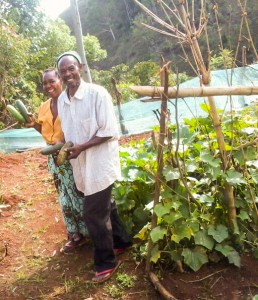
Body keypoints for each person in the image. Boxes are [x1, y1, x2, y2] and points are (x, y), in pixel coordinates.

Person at [56, 51, 132, 283]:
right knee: (105, 206)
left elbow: (108, 131)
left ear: (80, 67)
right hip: (80, 164)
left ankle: (106, 263)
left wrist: (81, 147)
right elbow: (70, 132)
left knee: (92, 213)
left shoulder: (98, 94)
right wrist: (66, 147)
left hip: (100, 164)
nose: (68, 74)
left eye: (71, 68)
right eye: (63, 71)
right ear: (60, 75)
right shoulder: (62, 100)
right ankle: (122, 242)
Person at [25, 68, 88, 254]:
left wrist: (64, 145)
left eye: (51, 81)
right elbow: (45, 133)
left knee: (77, 192)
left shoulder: (69, 103)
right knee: (63, 195)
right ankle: (74, 234)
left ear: (60, 80)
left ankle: (88, 232)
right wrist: (34, 124)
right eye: (45, 83)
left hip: (69, 154)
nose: (48, 86)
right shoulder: (43, 107)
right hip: (53, 158)